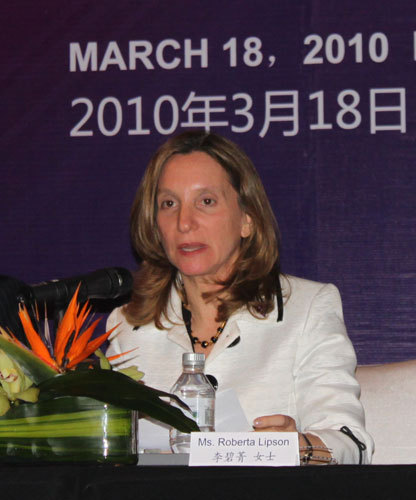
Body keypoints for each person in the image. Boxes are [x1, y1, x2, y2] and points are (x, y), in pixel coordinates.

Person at [106, 130, 373, 464]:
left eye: (206, 201)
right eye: (169, 204)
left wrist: (300, 447)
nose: (184, 223)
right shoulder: (128, 326)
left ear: (247, 219)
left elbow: (352, 444)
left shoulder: (306, 309)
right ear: (154, 224)